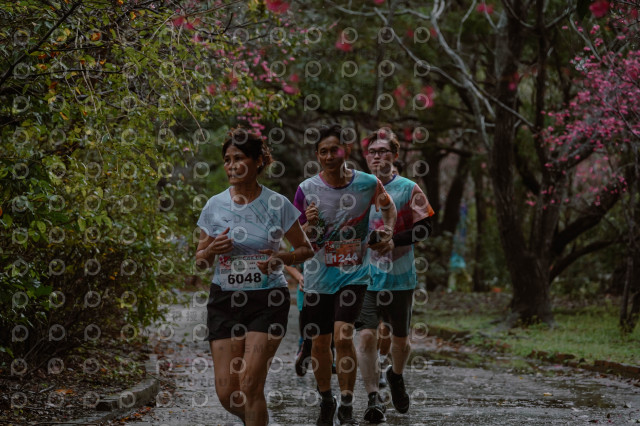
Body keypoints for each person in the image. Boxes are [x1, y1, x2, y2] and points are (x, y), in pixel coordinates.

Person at [195, 128, 313, 426]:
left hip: (267, 300)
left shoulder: (278, 204)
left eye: (239, 158)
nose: (231, 165)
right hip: (224, 301)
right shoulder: (214, 205)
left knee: (250, 384)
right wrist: (211, 249)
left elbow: (305, 249)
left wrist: (280, 258)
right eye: (227, 160)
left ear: (258, 161)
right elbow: (200, 261)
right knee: (228, 394)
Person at [293, 124, 397, 426]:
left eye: (334, 150)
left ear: (346, 151)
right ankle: (327, 398)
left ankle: (348, 402)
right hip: (317, 277)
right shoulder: (306, 189)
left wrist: (387, 229)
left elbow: (388, 208)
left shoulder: (367, 183)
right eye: (323, 151)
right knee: (319, 343)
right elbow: (297, 236)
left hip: (354, 274)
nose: (329, 156)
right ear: (317, 155)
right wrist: (308, 223)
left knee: (342, 335)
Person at [356, 128, 434, 423]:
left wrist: (394, 240)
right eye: (372, 152)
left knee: (400, 341)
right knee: (366, 337)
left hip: (400, 277)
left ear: (395, 155)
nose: (377, 157)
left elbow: (425, 228)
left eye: (383, 151)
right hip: (364, 278)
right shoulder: (358, 189)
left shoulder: (409, 188)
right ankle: (373, 398)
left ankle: (396, 375)